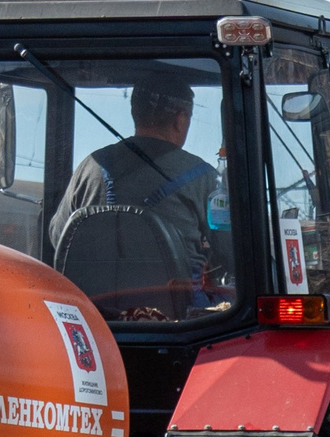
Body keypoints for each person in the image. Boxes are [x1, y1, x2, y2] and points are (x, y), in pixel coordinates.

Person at [49, 70, 223, 310]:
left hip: (96, 317)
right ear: (180, 120)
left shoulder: (90, 168)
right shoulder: (203, 177)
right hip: (179, 321)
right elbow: (231, 249)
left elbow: (59, 238)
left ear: (134, 113)